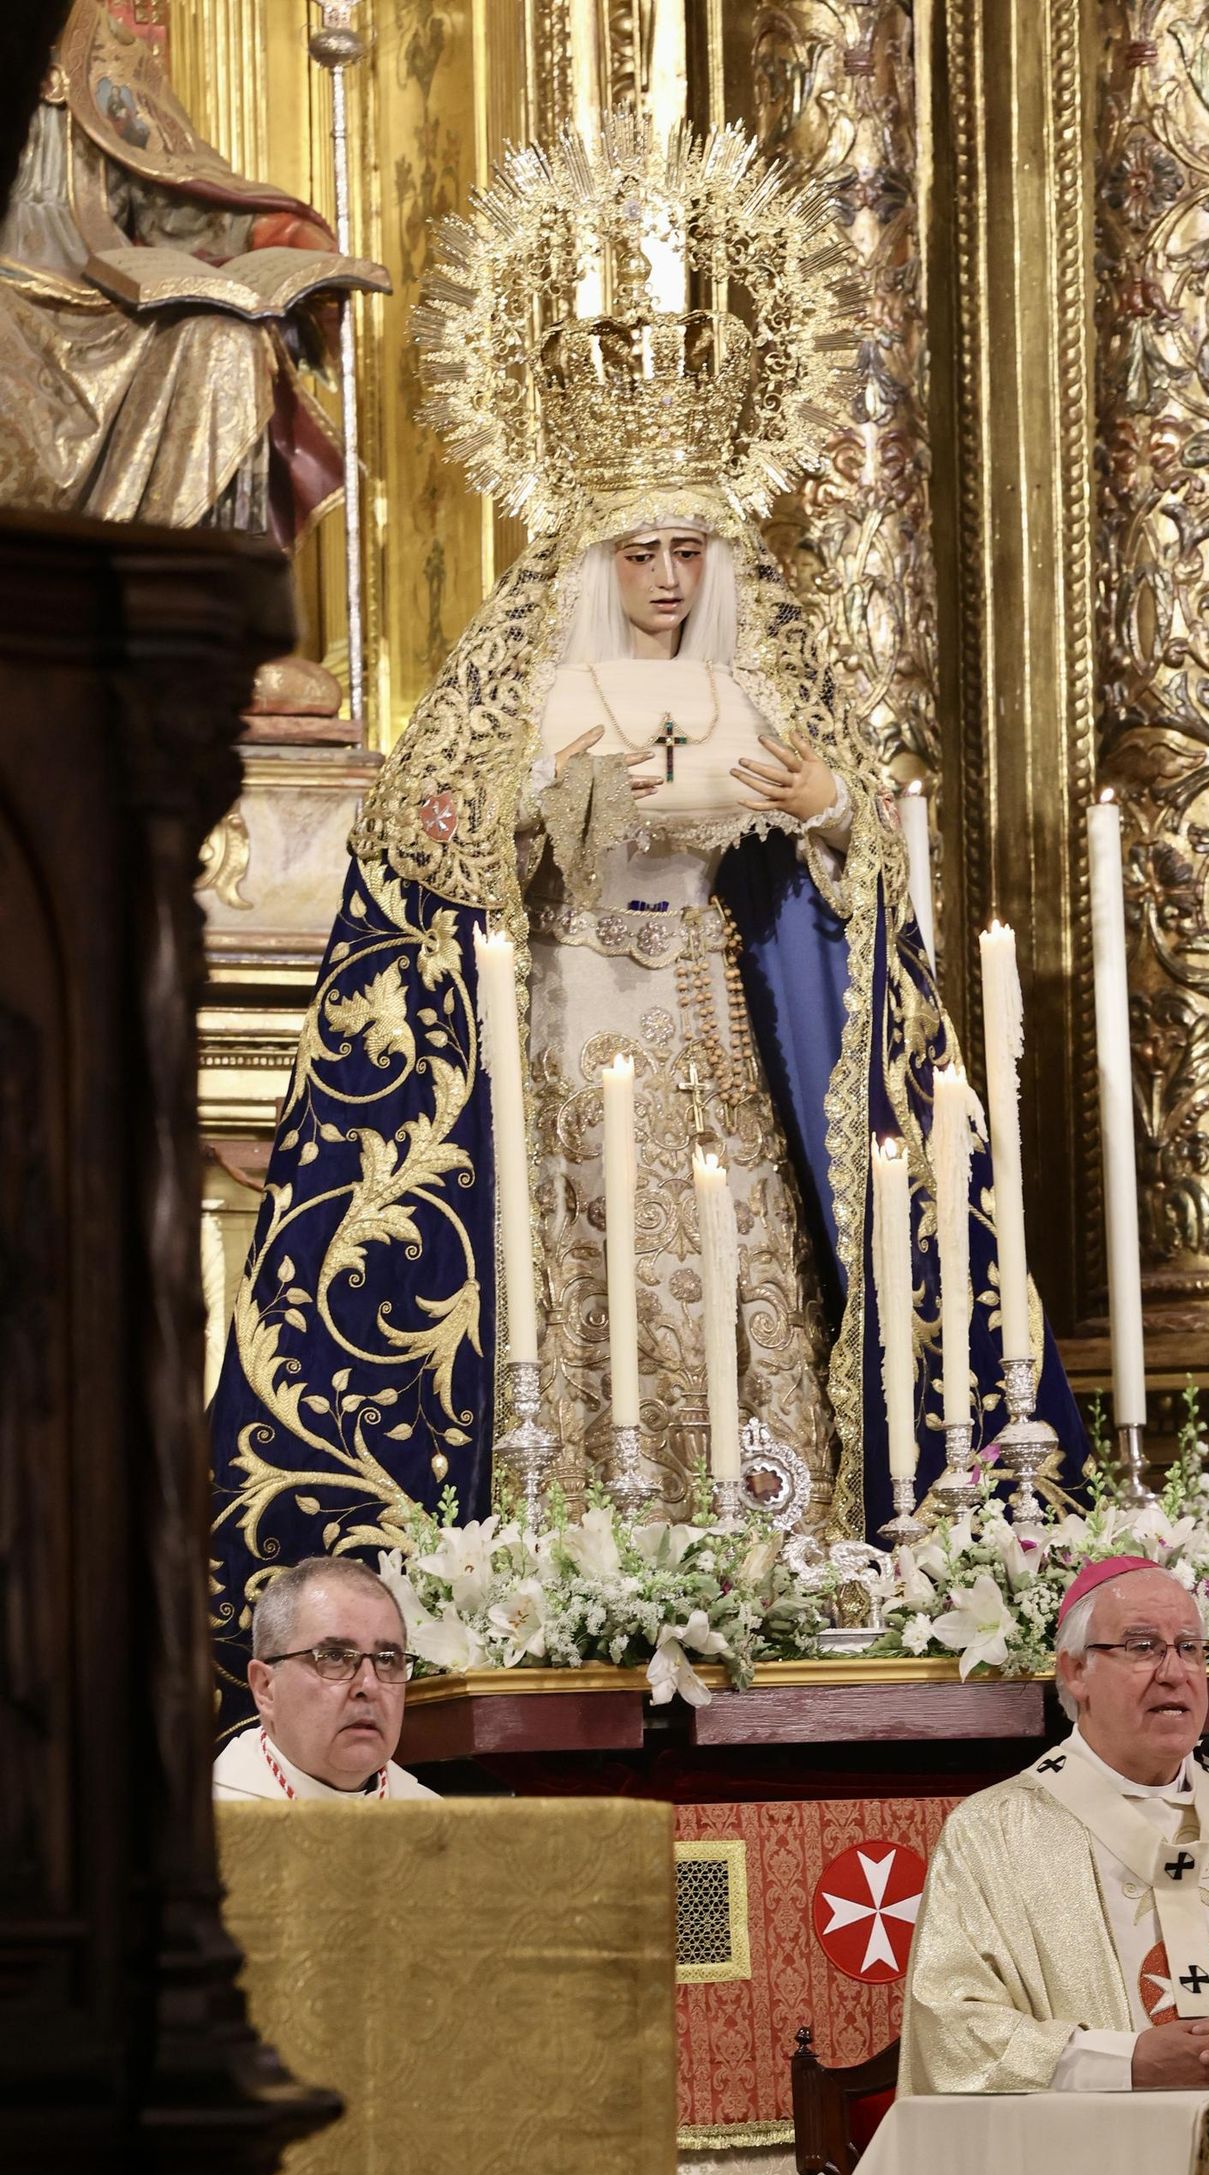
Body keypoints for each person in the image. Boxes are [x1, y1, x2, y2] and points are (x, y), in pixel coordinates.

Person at [207, 112, 1086, 1723]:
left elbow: (865, 867)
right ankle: (592, 1604)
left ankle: (777, 1595)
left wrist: (820, 807)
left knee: (750, 1280)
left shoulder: (783, 651)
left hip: (713, 1041)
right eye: (642, 549)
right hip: (560, 1049)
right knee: (586, 1308)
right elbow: (422, 843)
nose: (672, 578)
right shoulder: (515, 665)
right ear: (588, 542)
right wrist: (551, 797)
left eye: (693, 546)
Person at [898, 1558, 1209, 2094]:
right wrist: (1125, 2065)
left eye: (1191, 1648)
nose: (1175, 1671)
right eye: (1142, 1647)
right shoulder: (992, 1835)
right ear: (1075, 1671)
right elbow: (953, 2034)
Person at [0, 1, 348, 544]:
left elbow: (172, 196)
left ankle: (186, 587)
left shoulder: (102, 50)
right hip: (8, 306)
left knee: (223, 342)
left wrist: (274, 236)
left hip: (106, 306)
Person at [213, 1557, 439, 1802]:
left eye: (386, 1660)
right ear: (266, 1688)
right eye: (335, 1656)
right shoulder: (205, 1823)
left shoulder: (441, 1823)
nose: (370, 1686)